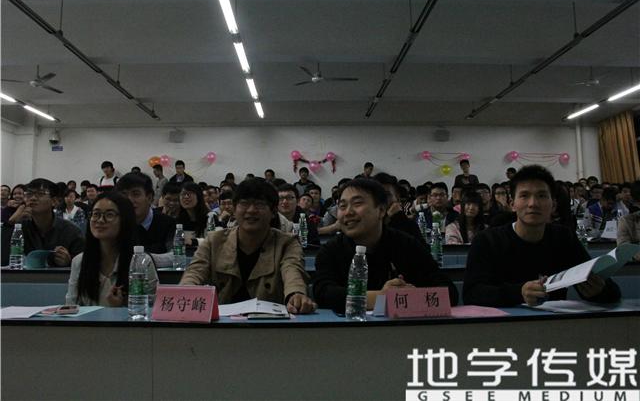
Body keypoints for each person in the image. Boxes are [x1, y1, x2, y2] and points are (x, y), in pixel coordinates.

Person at [463, 165, 621, 307]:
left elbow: (611, 291)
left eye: (542, 196)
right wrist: (519, 293)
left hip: (555, 325)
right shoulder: (487, 240)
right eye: (524, 196)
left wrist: (599, 291)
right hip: (504, 326)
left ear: (553, 205)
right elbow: (471, 293)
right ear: (512, 204)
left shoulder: (563, 238)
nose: (533, 203)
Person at [313, 178, 458, 312]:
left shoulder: (406, 244)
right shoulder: (330, 250)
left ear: (381, 210)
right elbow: (324, 294)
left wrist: (411, 296)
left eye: (357, 204)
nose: (348, 212)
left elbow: (449, 292)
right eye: (342, 206)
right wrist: (382, 297)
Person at [180, 178, 315, 313]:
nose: (251, 210)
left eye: (260, 204)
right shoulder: (214, 241)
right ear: (234, 209)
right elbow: (194, 272)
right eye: (244, 203)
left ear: (274, 212)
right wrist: (186, 291)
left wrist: (295, 294)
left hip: (270, 323)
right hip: (221, 323)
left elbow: (293, 271)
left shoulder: (287, 243)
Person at [65, 192, 158, 306]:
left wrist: (119, 309)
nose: (100, 220)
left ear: (124, 220)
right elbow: (71, 308)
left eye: (109, 215)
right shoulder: (79, 262)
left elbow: (152, 309)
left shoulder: (141, 262)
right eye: (96, 214)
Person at [20, 179, 85, 266]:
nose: (33, 198)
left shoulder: (72, 232)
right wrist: (10, 223)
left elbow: (84, 264)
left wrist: (70, 262)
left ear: (54, 201)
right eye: (29, 194)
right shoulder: (20, 228)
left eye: (40, 194)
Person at [116, 172, 176, 255]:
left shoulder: (168, 223)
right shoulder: (116, 224)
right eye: (124, 195)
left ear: (149, 198)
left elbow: (174, 255)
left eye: (135, 194)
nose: (129, 200)